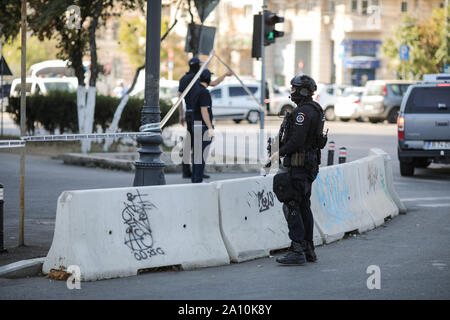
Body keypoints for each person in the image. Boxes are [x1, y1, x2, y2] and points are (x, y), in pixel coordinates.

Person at [269, 74, 326, 265]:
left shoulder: (302, 113)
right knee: (304, 206)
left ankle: (297, 249)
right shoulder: (315, 110)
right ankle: (308, 249)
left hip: (299, 166)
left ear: (302, 90)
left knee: (292, 205)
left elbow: (297, 140)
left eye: (294, 88)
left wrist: (279, 152)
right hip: (308, 166)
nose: (291, 92)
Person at [178, 57, 232, 178]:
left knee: (190, 143)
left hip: (189, 114)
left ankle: (187, 171)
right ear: (197, 66)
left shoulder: (184, 79)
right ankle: (197, 174)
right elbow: (213, 83)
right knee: (200, 146)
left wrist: (181, 115)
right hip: (199, 116)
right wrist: (225, 75)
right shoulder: (199, 79)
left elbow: (179, 99)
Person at [190, 69, 215, 183]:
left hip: (195, 124)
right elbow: (204, 111)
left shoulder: (196, 89)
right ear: (208, 78)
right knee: (201, 155)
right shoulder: (204, 92)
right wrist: (210, 128)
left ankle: (195, 179)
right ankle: (198, 180)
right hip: (203, 126)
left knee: (197, 155)